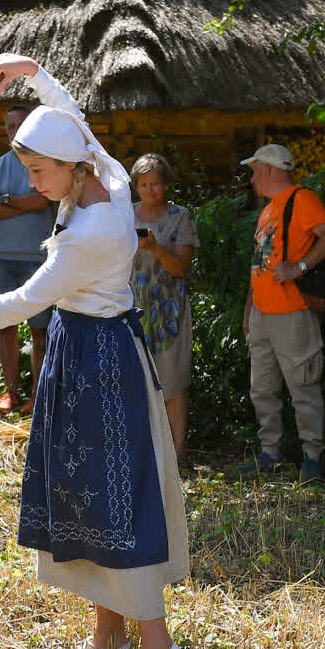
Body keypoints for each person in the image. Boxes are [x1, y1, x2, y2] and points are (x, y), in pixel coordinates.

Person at [0, 54, 189, 649]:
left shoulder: (93, 230)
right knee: (85, 497)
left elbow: (22, 303)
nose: (33, 183)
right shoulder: (111, 178)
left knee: (114, 497)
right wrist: (32, 74)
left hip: (101, 366)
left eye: (39, 172)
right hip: (85, 357)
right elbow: (74, 121)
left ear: (70, 166)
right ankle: (109, 637)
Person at [239, 143, 325, 483]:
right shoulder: (269, 210)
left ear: (268, 169)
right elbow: (260, 264)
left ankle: (313, 458)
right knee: (262, 388)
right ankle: (270, 454)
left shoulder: (302, 199)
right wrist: (249, 310)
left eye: (255, 171)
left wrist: (298, 268)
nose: (252, 178)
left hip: (293, 312)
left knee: (303, 387)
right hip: (264, 315)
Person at [0, 103, 56, 414]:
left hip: (38, 256)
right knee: (6, 326)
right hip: (3, 255)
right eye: (10, 126)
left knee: (40, 330)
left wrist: (7, 201)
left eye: (21, 124)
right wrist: (25, 204)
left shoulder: (45, 164)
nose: (15, 130)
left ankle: (39, 395)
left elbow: (43, 201)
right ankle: (10, 392)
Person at [128, 153, 199, 454]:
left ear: (166, 185)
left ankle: (178, 450)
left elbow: (181, 267)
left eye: (155, 184)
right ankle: (144, 452)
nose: (149, 191)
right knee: (134, 380)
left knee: (172, 381)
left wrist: (156, 248)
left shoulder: (179, 217)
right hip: (131, 308)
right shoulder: (123, 214)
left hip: (169, 310)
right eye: (143, 185)